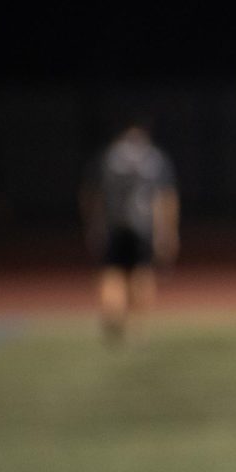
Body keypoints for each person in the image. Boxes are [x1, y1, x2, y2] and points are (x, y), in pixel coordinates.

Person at [81, 123, 178, 342]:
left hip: (114, 224)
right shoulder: (154, 158)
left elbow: (90, 193)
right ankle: (137, 327)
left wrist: (93, 224)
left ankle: (113, 318)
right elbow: (166, 197)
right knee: (142, 273)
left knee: (112, 272)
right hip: (143, 226)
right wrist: (168, 232)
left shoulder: (108, 157)